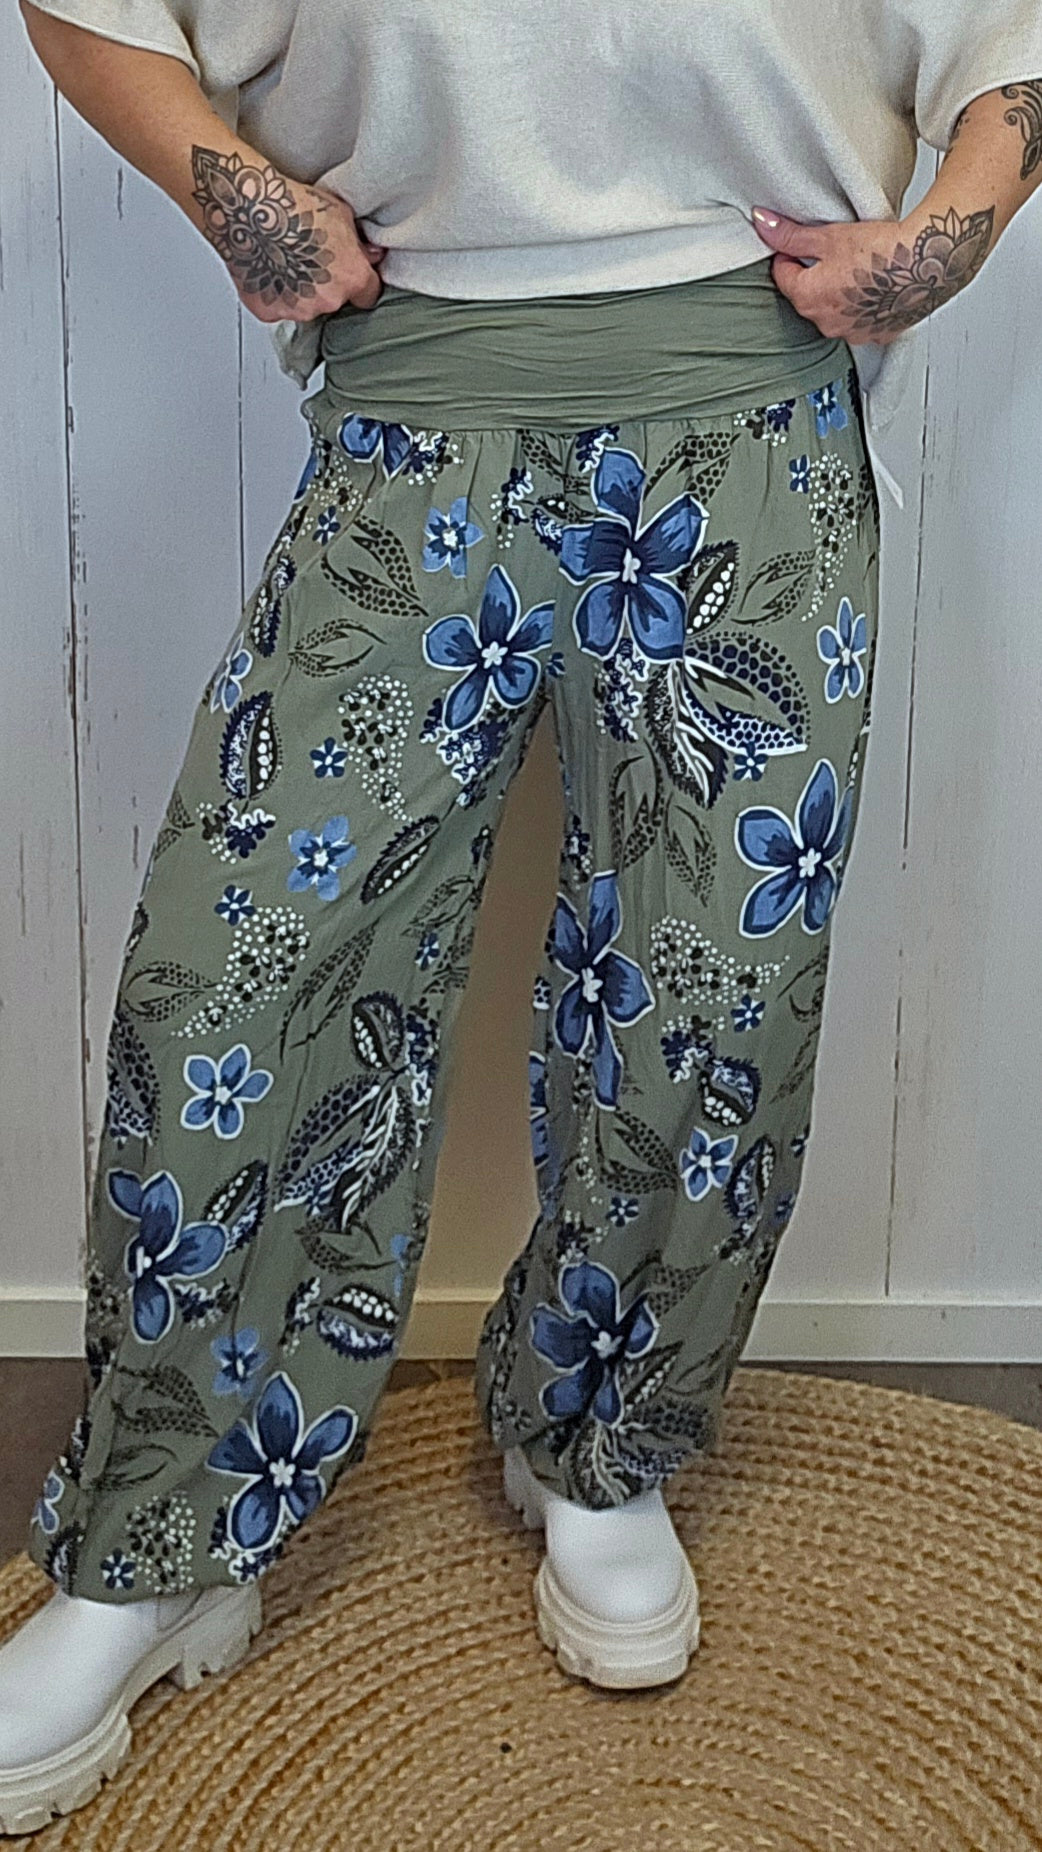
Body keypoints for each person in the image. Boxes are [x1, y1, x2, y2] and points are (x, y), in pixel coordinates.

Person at [3, 0, 1042, 1831]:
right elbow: (94, 12)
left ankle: (597, 1439)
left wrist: (949, 228)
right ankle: (165, 1534)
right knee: (237, 980)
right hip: (415, 407)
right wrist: (234, 189)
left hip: (751, 409)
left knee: (712, 991)